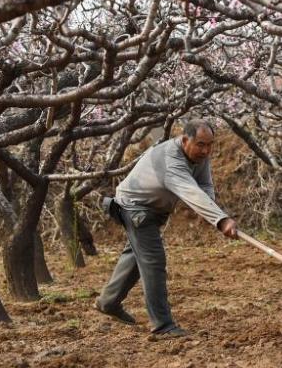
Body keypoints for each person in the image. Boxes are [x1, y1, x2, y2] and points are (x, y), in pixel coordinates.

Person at [94, 119, 238, 339]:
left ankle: (108, 302)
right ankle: (162, 326)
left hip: (151, 211)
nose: (206, 150)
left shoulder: (199, 156)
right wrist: (221, 220)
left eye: (210, 145)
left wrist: (214, 214)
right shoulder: (172, 160)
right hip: (135, 208)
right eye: (201, 144)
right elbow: (190, 191)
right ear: (185, 140)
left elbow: (204, 186)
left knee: (135, 258)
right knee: (153, 262)